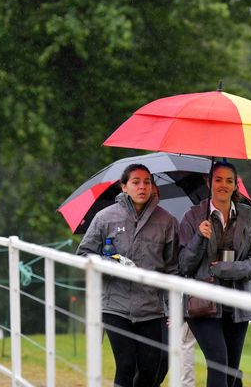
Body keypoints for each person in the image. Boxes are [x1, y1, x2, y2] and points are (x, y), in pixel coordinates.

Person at [76, 164, 178, 387]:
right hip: (114, 305)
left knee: (150, 369)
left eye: (147, 182)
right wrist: (111, 264)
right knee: (126, 365)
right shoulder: (104, 218)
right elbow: (84, 254)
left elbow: (172, 268)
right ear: (124, 187)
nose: (142, 186)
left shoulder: (167, 221)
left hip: (151, 308)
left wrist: (173, 308)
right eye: (136, 182)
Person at [178, 161, 251, 387]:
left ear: (236, 185)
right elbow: (184, 265)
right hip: (202, 303)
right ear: (208, 183)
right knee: (218, 363)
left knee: (231, 371)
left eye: (229, 181)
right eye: (218, 180)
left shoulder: (250, 216)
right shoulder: (193, 216)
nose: (223, 185)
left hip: (238, 304)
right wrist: (199, 237)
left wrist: (225, 269)